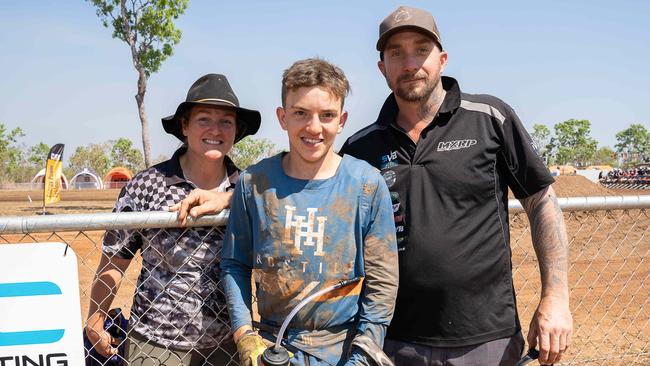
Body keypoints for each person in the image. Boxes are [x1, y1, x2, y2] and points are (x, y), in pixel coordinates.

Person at [339, 6, 573, 366]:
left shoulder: (489, 118)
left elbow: (541, 200)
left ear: (442, 59)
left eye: (421, 49)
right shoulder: (360, 148)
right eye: (396, 53)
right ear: (382, 67)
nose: (410, 62)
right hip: (393, 342)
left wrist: (555, 298)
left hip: (486, 341)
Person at [221, 58, 398, 366]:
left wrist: (364, 354)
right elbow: (235, 264)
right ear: (282, 117)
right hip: (273, 349)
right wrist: (245, 335)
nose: (314, 127)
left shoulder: (366, 185)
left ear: (341, 120)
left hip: (343, 350)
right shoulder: (255, 183)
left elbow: (382, 283)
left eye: (327, 115)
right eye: (300, 113)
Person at [85, 73, 261, 365]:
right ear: (185, 126)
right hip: (155, 345)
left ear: (236, 131)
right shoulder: (146, 186)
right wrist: (95, 316)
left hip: (228, 344)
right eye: (204, 118)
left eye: (226, 122)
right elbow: (114, 262)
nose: (215, 129)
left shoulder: (246, 189)